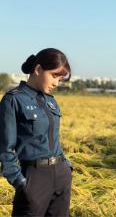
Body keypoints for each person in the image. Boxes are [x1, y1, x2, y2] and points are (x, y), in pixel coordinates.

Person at [0, 48, 73, 216]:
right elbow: (5, 148)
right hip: (35, 178)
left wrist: (67, 167)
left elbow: (54, 139)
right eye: (54, 76)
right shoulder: (14, 100)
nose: (56, 83)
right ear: (38, 69)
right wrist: (20, 182)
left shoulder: (51, 102)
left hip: (61, 175)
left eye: (60, 79)